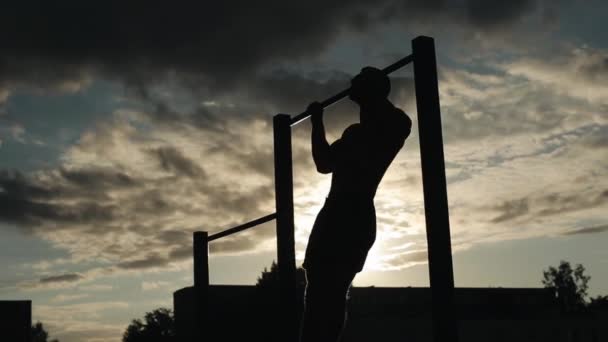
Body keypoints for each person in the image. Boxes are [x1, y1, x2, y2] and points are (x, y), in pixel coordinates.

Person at [299, 66, 412, 342]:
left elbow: (388, 118)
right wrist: (317, 122)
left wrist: (370, 91)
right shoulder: (353, 134)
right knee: (315, 287)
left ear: (373, 89)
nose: (351, 81)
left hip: (355, 215)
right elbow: (323, 163)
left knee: (335, 290)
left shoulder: (395, 124)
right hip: (332, 213)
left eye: (359, 80)